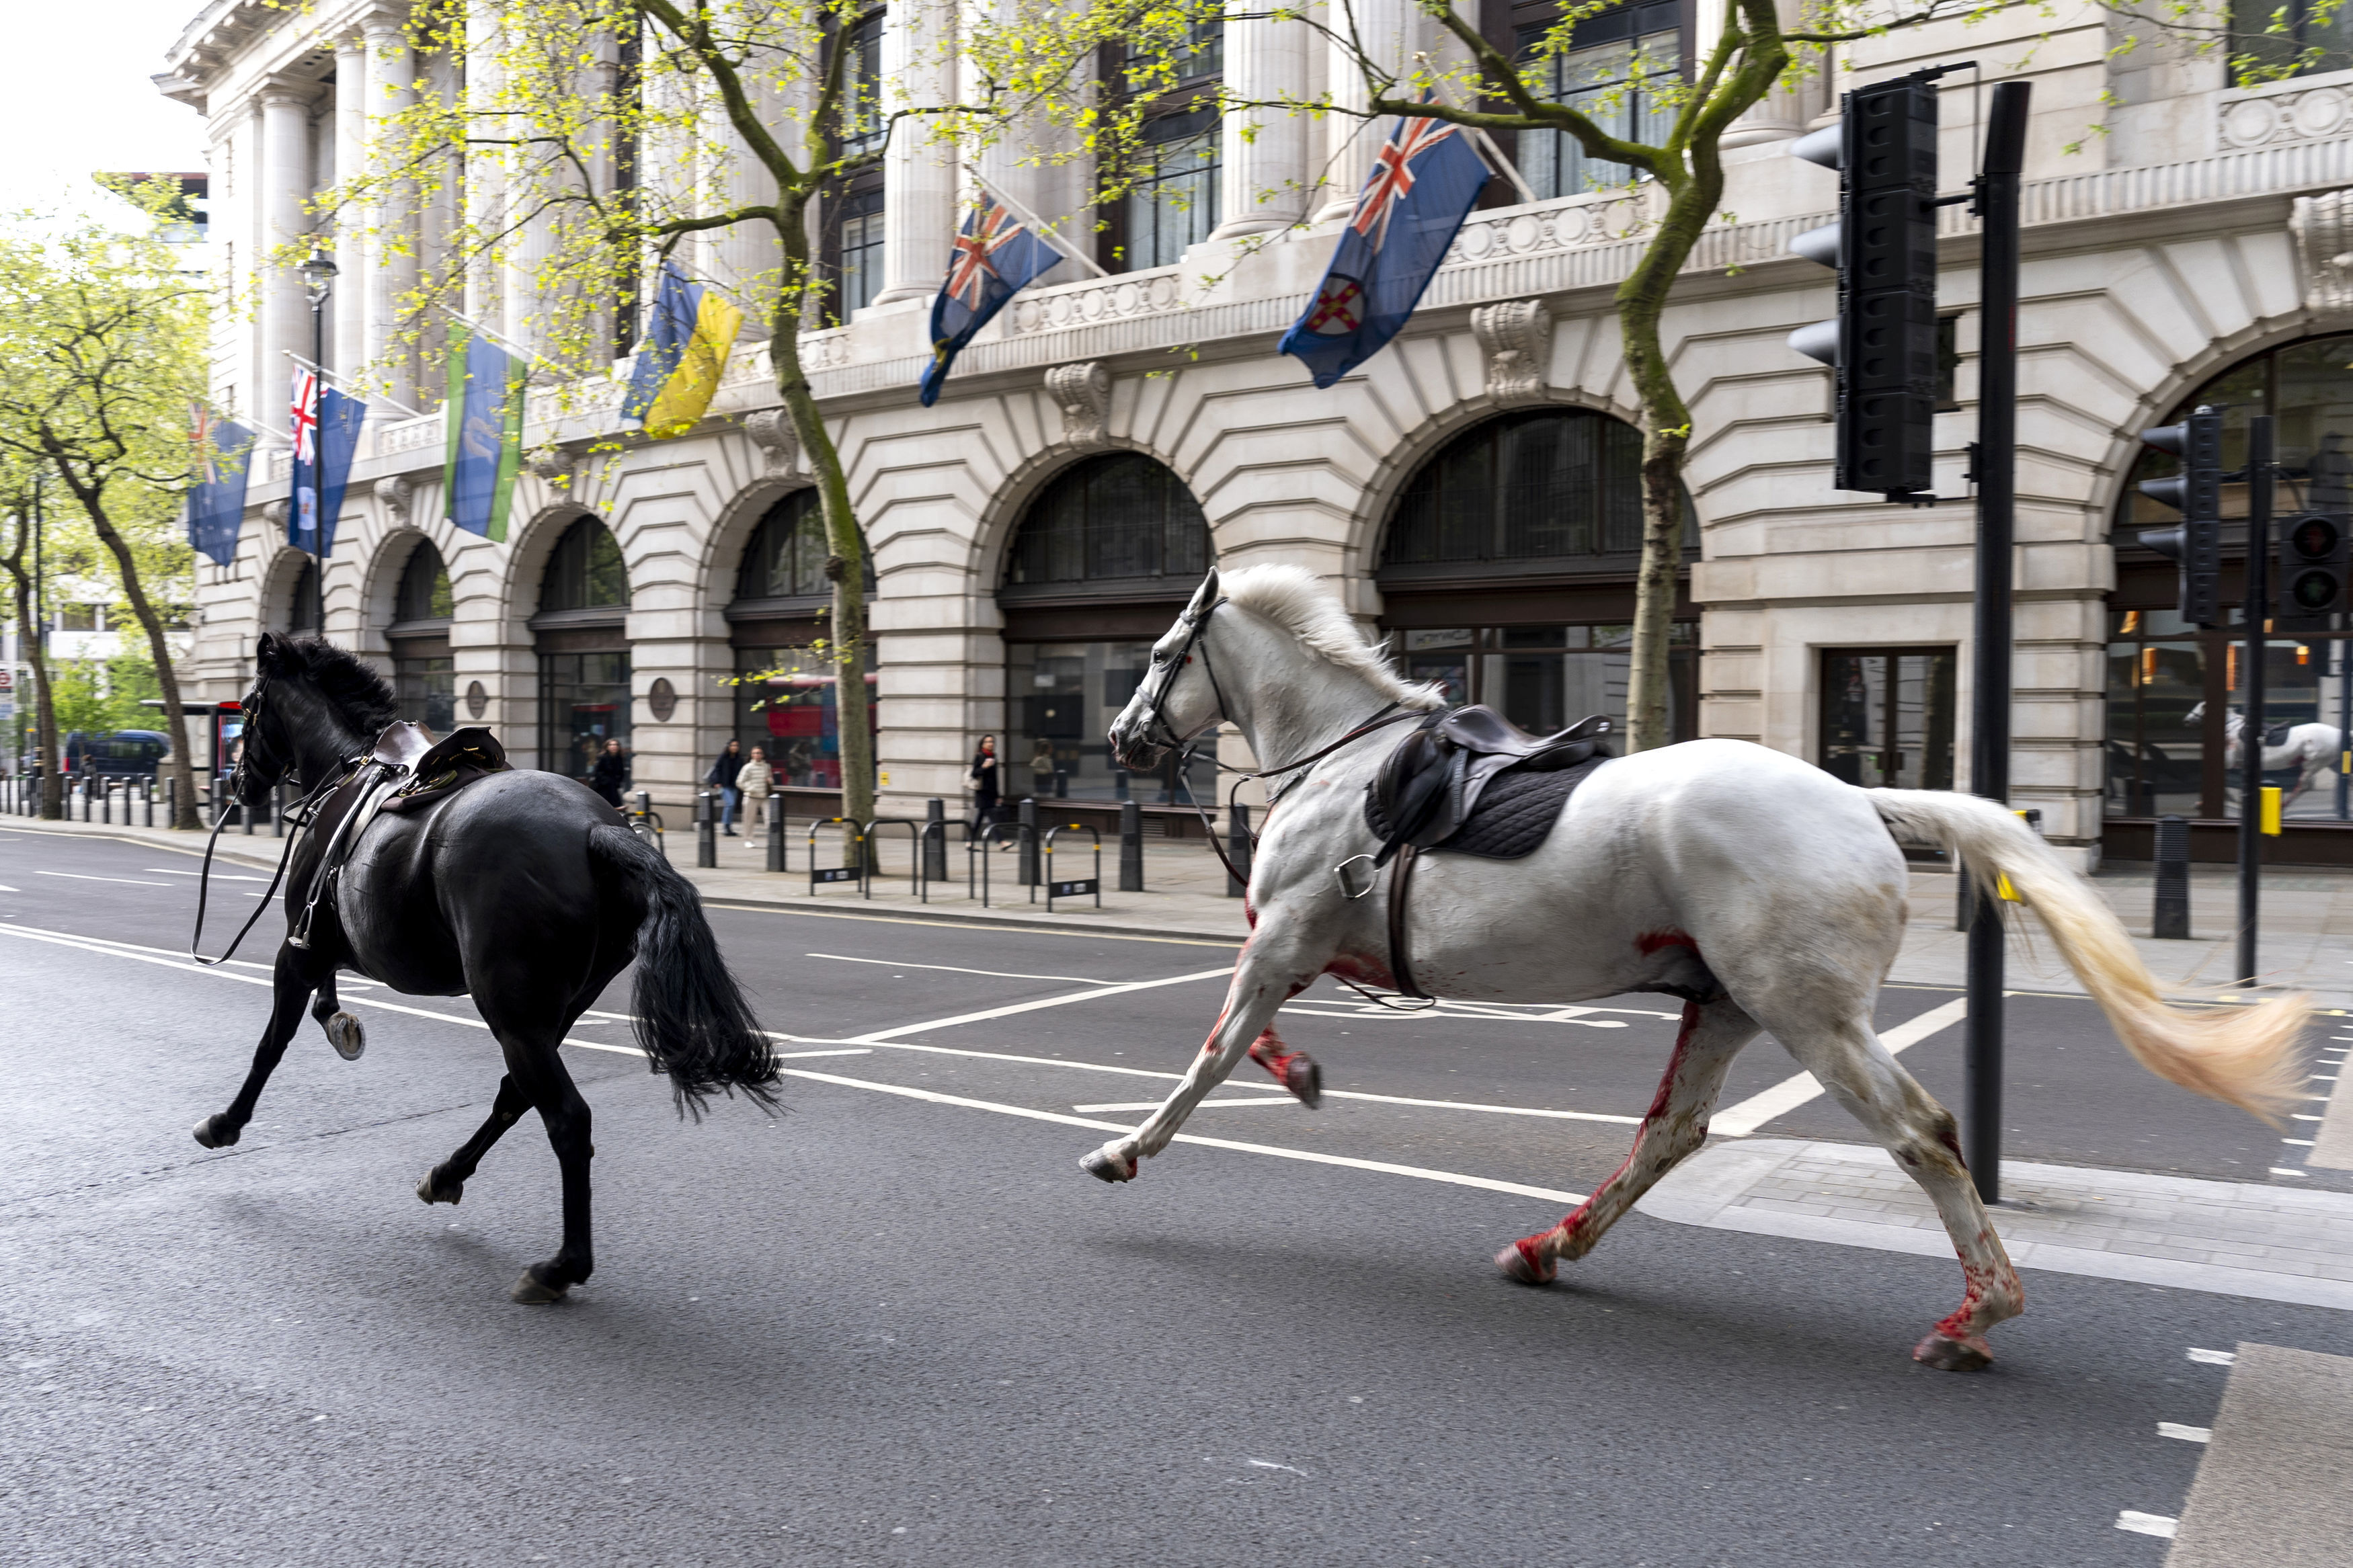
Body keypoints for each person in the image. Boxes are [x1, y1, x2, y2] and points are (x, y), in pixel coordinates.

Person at [707, 738, 745, 835]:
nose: (735, 747)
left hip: (734, 786)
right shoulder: (723, 757)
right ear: (729, 747)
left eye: (737, 746)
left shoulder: (739, 759)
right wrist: (716, 782)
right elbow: (717, 769)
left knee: (731, 806)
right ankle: (726, 826)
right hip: (724, 785)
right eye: (733, 745)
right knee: (730, 804)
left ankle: (729, 827)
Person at [738, 744, 775, 836]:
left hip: (764, 797)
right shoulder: (748, 767)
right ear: (752, 755)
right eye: (755, 753)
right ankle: (748, 839)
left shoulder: (767, 766)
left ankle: (773, 840)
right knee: (749, 820)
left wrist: (770, 781)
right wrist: (751, 789)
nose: (757, 755)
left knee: (770, 819)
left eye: (759, 753)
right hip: (751, 797)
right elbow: (740, 782)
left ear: (762, 755)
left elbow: (770, 779)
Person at [969, 734, 1000, 840]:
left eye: (992, 742)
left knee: (979, 819)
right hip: (982, 793)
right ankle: (1001, 841)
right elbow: (974, 774)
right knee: (993, 818)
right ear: (983, 744)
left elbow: (995, 778)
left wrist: (997, 795)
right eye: (988, 742)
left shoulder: (993, 756)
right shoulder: (980, 756)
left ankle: (970, 841)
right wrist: (984, 767)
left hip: (990, 793)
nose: (991, 744)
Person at [590, 738, 629, 808]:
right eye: (611, 745)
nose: (614, 746)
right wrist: (607, 781)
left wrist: (617, 782)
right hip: (602, 787)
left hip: (613, 786)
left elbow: (621, 772)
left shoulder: (619, 758)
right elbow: (597, 772)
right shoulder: (602, 757)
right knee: (605, 806)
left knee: (615, 806)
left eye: (616, 745)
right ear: (607, 747)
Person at [1029, 735, 1057, 799]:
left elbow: (1051, 770)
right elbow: (1032, 768)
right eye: (1050, 748)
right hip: (1042, 784)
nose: (1052, 749)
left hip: (1048, 784)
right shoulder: (1039, 759)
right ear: (1046, 749)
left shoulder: (1049, 759)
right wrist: (1045, 772)